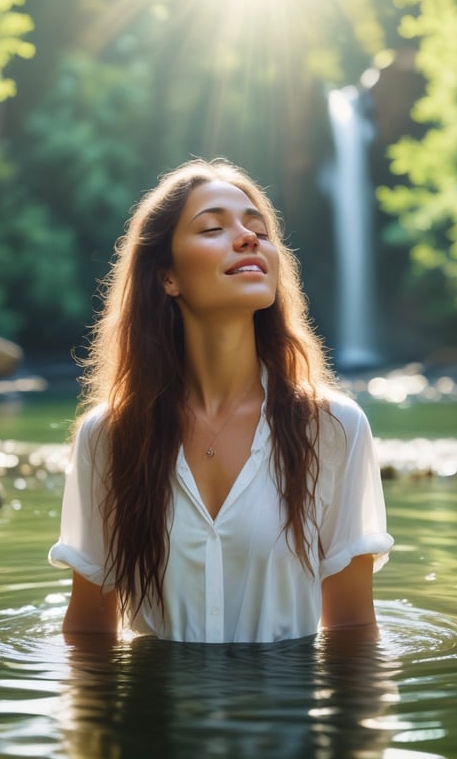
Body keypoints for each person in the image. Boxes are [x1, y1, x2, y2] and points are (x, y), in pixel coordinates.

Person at [48, 158, 393, 644]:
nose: (248, 237)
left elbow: (354, 629)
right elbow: (88, 631)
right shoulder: (110, 436)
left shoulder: (334, 428)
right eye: (213, 227)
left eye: (258, 229)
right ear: (168, 276)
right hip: (151, 718)